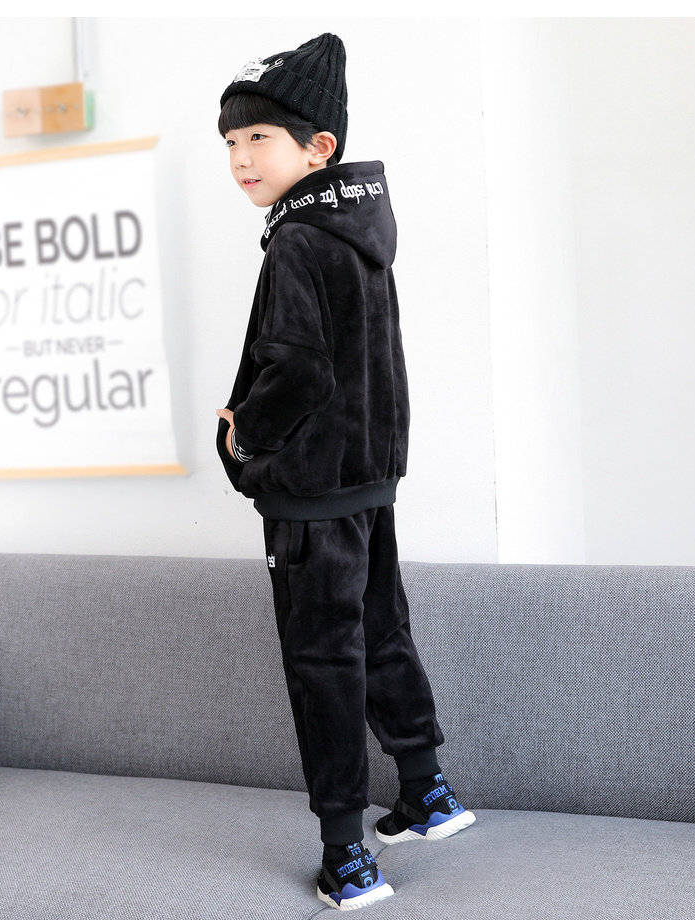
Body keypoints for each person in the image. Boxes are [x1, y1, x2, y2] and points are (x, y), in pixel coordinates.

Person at [215, 32, 475, 911]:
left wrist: (244, 439)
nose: (241, 158)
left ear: (319, 146)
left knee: (322, 660)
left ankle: (346, 855)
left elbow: (297, 371)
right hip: (367, 481)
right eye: (231, 142)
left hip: (311, 492)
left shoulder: (297, 241)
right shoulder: (359, 232)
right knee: (381, 629)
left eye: (259, 138)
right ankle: (426, 792)